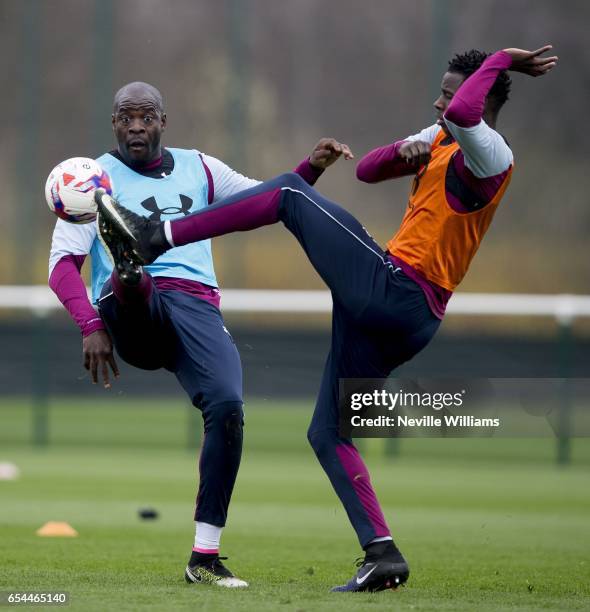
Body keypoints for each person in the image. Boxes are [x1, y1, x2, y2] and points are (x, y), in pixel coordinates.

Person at [94, 46, 557, 592]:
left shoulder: (493, 154)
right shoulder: (446, 139)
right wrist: (422, 140)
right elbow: (367, 170)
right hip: (403, 314)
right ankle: (382, 554)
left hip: (398, 291)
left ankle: (158, 237)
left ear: (480, 98)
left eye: (449, 93)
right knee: (328, 433)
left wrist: (501, 58)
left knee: (290, 193)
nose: (439, 102)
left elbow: (465, 113)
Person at [48, 81, 350, 588]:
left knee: (229, 406)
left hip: (197, 306)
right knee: (136, 281)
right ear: (114, 124)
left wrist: (311, 168)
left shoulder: (201, 167)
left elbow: (264, 201)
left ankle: (204, 558)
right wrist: (91, 325)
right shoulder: (91, 179)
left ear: (164, 121)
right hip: (130, 313)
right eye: (125, 117)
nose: (136, 126)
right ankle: (128, 270)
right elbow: (62, 267)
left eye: (146, 116)